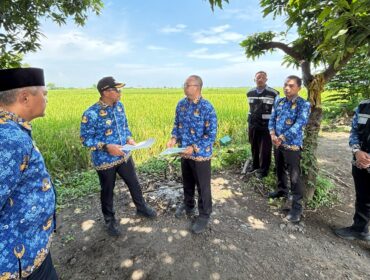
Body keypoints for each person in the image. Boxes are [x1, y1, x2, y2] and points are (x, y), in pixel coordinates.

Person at [80, 76, 156, 237]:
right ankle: (110, 220)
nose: (120, 92)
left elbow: (125, 126)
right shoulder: (91, 113)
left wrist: (129, 138)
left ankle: (141, 208)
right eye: (117, 89)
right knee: (107, 190)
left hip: (124, 155)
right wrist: (107, 147)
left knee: (134, 183)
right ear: (106, 92)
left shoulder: (119, 106)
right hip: (105, 160)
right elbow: (85, 140)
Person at [0, 68, 58, 279]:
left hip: (30, 249)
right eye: (44, 94)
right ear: (25, 97)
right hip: (18, 262)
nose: (46, 99)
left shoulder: (11, 130)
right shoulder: (8, 139)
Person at [167, 75, 217, 234]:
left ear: (197, 87)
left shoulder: (207, 107)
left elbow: (211, 135)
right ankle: (189, 204)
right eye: (185, 84)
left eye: (187, 85)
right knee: (187, 182)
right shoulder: (181, 105)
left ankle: (204, 214)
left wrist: (194, 147)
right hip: (184, 152)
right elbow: (177, 125)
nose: (184, 87)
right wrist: (173, 138)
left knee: (203, 186)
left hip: (200, 154)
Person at [268, 75, 310, 222]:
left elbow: (300, 124)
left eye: (291, 85)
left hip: (292, 145)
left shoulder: (303, 105)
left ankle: (297, 208)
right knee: (279, 168)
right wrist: (273, 134)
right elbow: (272, 119)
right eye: (285, 85)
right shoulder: (279, 102)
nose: (287, 88)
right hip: (277, 143)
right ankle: (281, 191)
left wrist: (282, 138)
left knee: (294, 176)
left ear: (299, 88)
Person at [334, 99, 370, 241]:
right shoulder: (363, 106)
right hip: (360, 160)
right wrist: (357, 151)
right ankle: (359, 229)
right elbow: (354, 131)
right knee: (362, 197)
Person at [246, 71, 279, 178]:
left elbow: (277, 111)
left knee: (265, 149)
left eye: (262, 77)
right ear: (254, 79)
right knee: (254, 146)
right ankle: (255, 166)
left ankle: (264, 171)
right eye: (258, 77)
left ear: (266, 80)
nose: (260, 79)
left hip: (266, 126)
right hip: (253, 125)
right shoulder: (249, 93)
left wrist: (274, 127)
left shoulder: (273, 93)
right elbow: (251, 109)